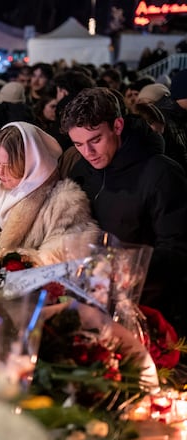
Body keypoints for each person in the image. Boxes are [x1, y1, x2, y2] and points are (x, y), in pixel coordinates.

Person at [61, 87, 187, 326]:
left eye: (96, 140)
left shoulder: (161, 173)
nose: (88, 152)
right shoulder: (82, 170)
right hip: (93, 301)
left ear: (117, 126)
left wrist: (124, 267)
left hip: (149, 309)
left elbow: (177, 248)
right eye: (78, 144)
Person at [0, 122, 97, 271]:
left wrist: (0, 265)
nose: (0, 174)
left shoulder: (64, 202)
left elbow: (60, 261)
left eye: (9, 166)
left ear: (32, 162)